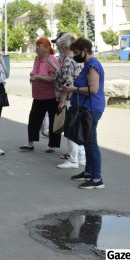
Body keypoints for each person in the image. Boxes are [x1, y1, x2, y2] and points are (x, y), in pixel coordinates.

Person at [62, 37, 105, 189]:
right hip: (86, 108)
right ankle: (89, 172)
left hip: (91, 109)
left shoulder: (93, 65)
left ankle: (97, 179)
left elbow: (93, 90)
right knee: (87, 141)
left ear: (85, 51)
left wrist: (72, 89)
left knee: (91, 143)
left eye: (76, 52)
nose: (74, 55)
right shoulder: (87, 64)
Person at [20, 37, 60, 152]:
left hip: (50, 96)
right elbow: (34, 72)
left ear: (47, 48)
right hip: (38, 95)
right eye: (36, 45)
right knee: (33, 119)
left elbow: (53, 79)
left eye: (39, 46)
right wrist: (33, 77)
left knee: (53, 121)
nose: (37, 48)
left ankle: (52, 145)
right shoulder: (37, 58)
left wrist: (37, 77)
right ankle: (30, 143)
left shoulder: (52, 59)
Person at [51, 33, 85, 169]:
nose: (58, 48)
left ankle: (73, 159)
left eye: (59, 46)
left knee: (71, 131)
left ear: (64, 47)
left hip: (69, 100)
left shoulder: (67, 61)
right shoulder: (78, 60)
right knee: (77, 129)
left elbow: (67, 84)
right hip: (78, 98)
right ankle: (82, 157)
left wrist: (62, 101)